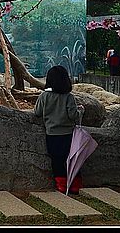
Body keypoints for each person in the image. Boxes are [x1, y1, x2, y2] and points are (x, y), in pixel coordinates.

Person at [34, 65, 84, 194]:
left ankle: (61, 186)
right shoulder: (69, 97)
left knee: (57, 160)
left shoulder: (44, 96)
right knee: (72, 159)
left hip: (51, 134)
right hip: (68, 135)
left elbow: (37, 112)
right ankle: (75, 185)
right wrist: (80, 111)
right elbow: (73, 115)